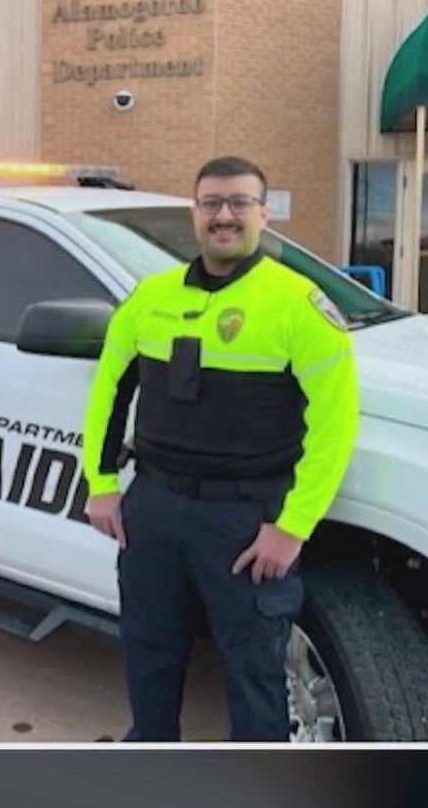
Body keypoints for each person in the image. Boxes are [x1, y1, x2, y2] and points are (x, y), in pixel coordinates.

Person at [79, 156, 360, 740]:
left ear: (263, 213)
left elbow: (336, 424)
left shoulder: (296, 304)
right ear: (195, 212)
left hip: (243, 519)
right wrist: (102, 484)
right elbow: (108, 388)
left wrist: (293, 526)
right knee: (149, 650)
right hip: (152, 508)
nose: (224, 216)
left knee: (253, 666)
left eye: (238, 203)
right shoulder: (150, 297)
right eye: (211, 203)